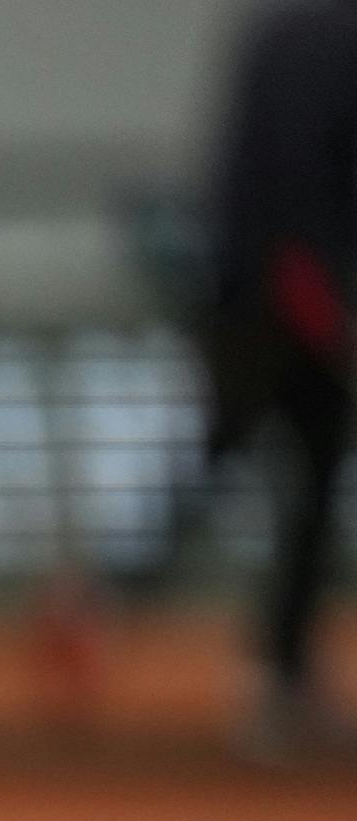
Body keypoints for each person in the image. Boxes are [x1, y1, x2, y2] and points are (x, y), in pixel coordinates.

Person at [127, 0, 357, 757]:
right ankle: (107, 600)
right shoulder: (321, 42)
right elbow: (297, 188)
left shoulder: (280, 35)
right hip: (275, 298)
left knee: (265, 468)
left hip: (258, 291)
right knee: (251, 463)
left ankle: (280, 680)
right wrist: (327, 312)